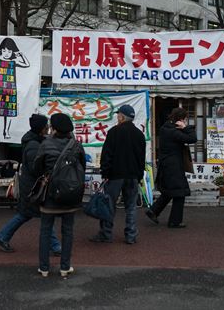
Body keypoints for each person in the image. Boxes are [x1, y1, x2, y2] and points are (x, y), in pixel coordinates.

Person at [0, 114, 61, 254]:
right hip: (34, 186)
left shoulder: (34, 141)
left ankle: (2, 236)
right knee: (43, 214)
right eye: (46, 126)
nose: (48, 128)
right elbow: (34, 168)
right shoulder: (33, 145)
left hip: (31, 185)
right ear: (41, 128)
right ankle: (55, 246)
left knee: (26, 214)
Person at [31, 113, 86, 278]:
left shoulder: (45, 144)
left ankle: (44, 268)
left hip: (50, 196)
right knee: (68, 231)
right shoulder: (76, 145)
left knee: (46, 230)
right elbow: (82, 167)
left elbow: (36, 168)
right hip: (70, 196)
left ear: (53, 129)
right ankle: (65, 267)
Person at [90, 104, 146, 244]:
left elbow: (107, 155)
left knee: (109, 205)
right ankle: (131, 235)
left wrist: (105, 172)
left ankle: (106, 234)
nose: (117, 117)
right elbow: (141, 158)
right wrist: (139, 176)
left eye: (118, 115)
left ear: (121, 117)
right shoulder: (139, 134)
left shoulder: (114, 132)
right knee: (131, 207)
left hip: (115, 175)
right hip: (133, 176)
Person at [147, 107, 197, 228]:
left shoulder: (166, 128)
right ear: (180, 119)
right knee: (180, 192)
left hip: (167, 165)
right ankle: (175, 221)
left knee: (170, 191)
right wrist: (185, 128)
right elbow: (192, 139)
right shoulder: (173, 131)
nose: (185, 122)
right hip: (173, 166)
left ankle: (153, 211)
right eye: (185, 119)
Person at [0, 37, 30, 139]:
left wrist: (22, 55)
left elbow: (27, 64)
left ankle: (6, 132)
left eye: (9, 51)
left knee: (9, 112)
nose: (6, 53)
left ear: (13, 52)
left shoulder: (14, 61)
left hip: (10, 89)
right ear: (1, 51)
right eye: (4, 51)